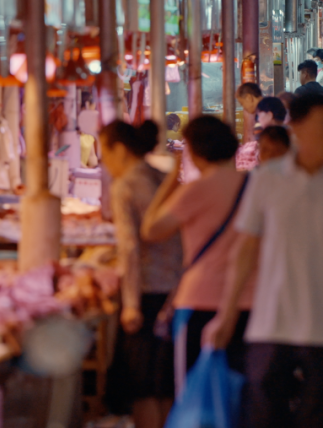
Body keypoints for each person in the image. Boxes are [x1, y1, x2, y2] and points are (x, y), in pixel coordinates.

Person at [204, 93, 323, 428]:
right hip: (270, 322)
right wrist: (228, 312)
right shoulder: (266, 179)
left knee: (313, 418)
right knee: (263, 416)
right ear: (297, 127)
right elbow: (246, 250)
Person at [141, 116, 253, 382]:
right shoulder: (254, 185)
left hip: (201, 299)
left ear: (196, 150)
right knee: (238, 390)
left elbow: (150, 230)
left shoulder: (197, 189)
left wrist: (170, 180)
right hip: (249, 300)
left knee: (194, 389)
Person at [101, 120, 182, 427]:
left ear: (119, 149)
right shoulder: (162, 178)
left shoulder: (124, 186)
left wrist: (131, 303)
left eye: (105, 152)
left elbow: (131, 248)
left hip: (147, 293)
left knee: (143, 386)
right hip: (175, 292)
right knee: (167, 381)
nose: (105, 162)